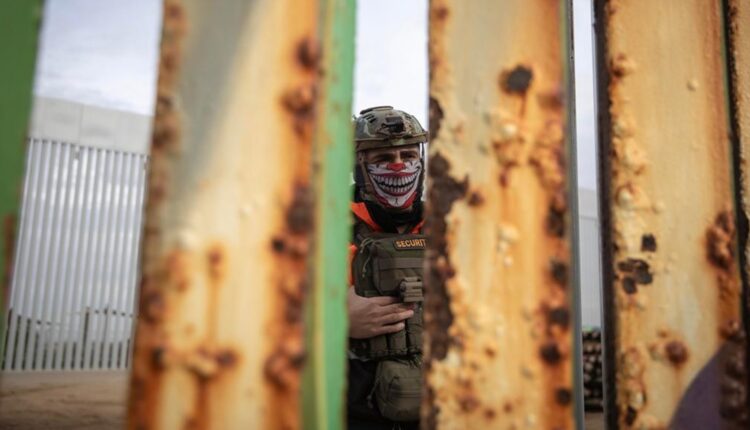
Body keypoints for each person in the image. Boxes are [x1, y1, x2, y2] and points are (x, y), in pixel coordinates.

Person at [347, 106, 427, 430]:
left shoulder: (451, 225)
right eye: (382, 158)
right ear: (359, 165)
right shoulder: (324, 230)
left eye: (407, 154)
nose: (397, 166)